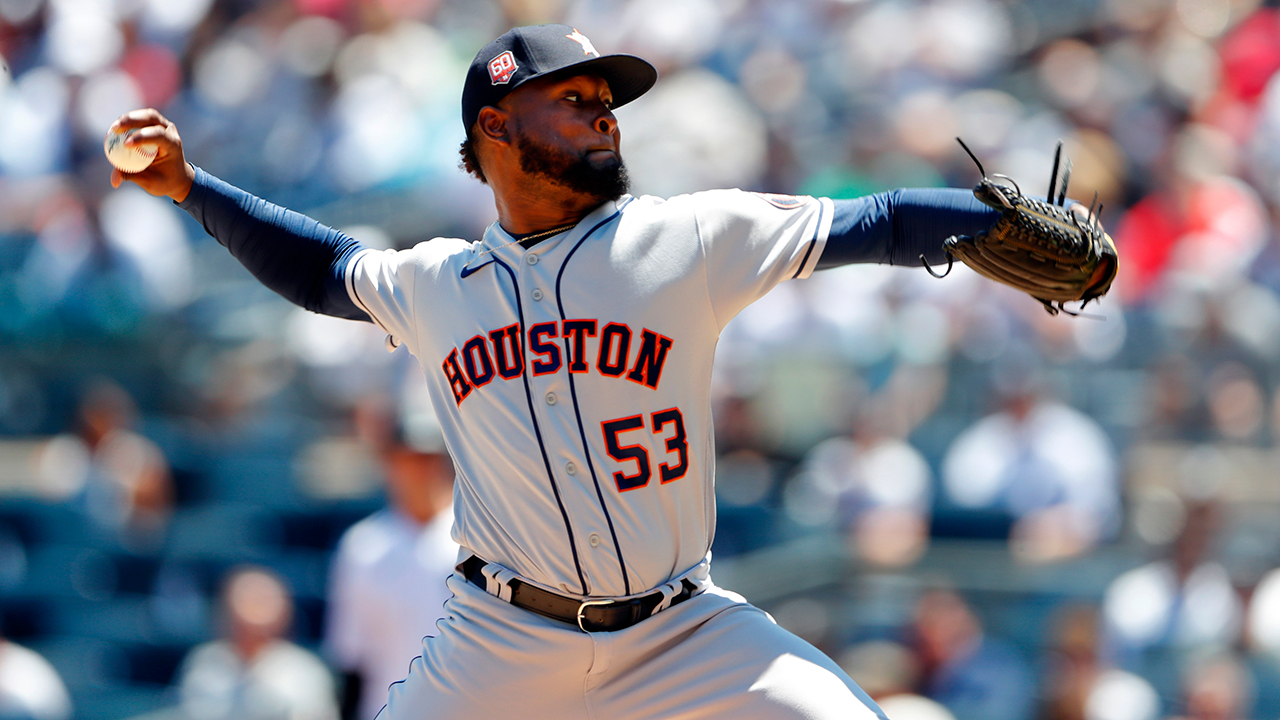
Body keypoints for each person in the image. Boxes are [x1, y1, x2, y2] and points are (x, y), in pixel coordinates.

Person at [107, 23, 1096, 720]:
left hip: (683, 634)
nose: (603, 117)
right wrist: (191, 187)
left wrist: (983, 227)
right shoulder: (441, 283)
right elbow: (322, 269)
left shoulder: (687, 238)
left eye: (606, 104)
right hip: (500, 643)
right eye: (573, 102)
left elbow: (871, 222)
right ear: (495, 128)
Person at [325, 399, 456, 720]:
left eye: (426, 459)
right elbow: (351, 659)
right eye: (406, 460)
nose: (417, 471)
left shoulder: (476, 540)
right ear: (390, 464)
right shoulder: (363, 547)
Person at [175, 566, 338, 720]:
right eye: (244, 598)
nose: (254, 609)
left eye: (263, 600)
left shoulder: (305, 671)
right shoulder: (204, 661)